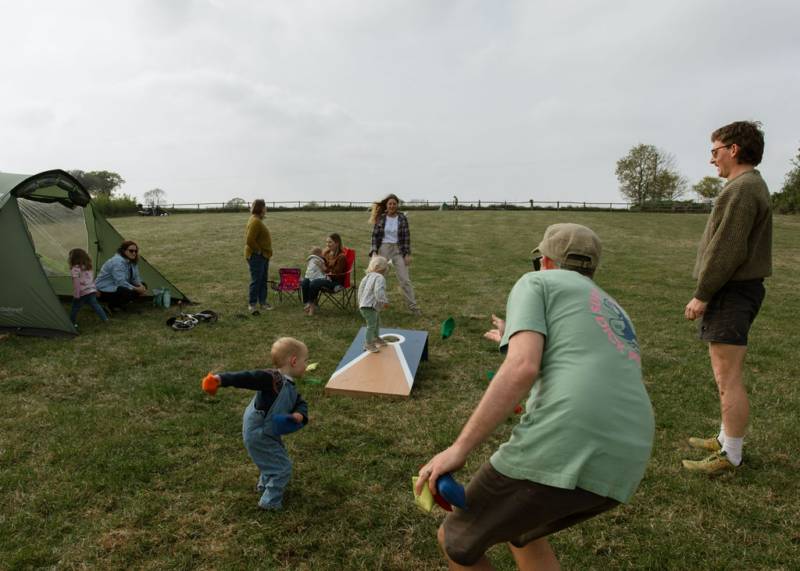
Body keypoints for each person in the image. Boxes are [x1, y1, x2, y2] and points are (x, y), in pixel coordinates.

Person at [415, 223, 654, 570]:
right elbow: (573, 355)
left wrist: (458, 449)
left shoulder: (536, 282)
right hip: (629, 454)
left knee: (456, 541)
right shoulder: (611, 306)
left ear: (545, 261)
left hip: (570, 435)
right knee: (521, 529)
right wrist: (509, 335)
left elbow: (523, 365)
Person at [682, 121, 772, 475]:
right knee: (725, 374)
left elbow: (727, 250)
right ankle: (725, 438)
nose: (712, 160)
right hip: (736, 290)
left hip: (732, 292)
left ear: (734, 150)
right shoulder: (748, 186)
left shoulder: (742, 189)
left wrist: (702, 295)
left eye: (715, 151)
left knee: (727, 376)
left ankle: (730, 454)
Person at [202, 337, 309, 510]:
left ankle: (264, 486)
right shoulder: (271, 379)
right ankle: (270, 502)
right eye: (306, 360)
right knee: (283, 467)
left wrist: (299, 414)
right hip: (258, 432)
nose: (306, 365)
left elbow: (299, 401)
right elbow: (246, 377)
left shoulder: (289, 385)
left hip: (269, 431)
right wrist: (219, 379)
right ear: (294, 361)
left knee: (273, 457)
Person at [369, 193, 420, 315]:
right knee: (379, 277)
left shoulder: (402, 218)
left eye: (394, 204)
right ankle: (374, 305)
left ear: (397, 205)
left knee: (404, 279)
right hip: (383, 249)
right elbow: (375, 235)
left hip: (399, 249)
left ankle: (413, 307)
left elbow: (407, 237)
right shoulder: (381, 218)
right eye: (390, 204)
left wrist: (407, 254)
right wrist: (374, 252)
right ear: (386, 205)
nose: (392, 206)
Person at [301, 233, 348, 316]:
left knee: (314, 283)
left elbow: (336, 274)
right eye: (327, 242)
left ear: (337, 243)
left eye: (330, 242)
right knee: (305, 281)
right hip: (323, 276)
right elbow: (319, 260)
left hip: (334, 282)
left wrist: (324, 268)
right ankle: (307, 303)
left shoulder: (341, 257)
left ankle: (312, 307)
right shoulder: (326, 252)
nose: (327, 244)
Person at [95, 240, 147, 311]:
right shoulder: (117, 262)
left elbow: (135, 278)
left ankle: (119, 303)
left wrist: (141, 286)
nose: (134, 253)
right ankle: (110, 305)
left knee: (144, 285)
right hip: (103, 290)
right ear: (124, 251)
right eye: (131, 251)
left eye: (136, 251)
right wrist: (137, 289)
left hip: (116, 287)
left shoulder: (131, 261)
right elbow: (121, 282)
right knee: (126, 291)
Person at [245, 199, 273, 315]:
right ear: (261, 208)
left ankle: (263, 302)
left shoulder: (257, 220)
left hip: (263, 256)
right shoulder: (255, 221)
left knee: (262, 280)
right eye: (265, 207)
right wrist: (259, 251)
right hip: (257, 256)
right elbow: (249, 240)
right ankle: (252, 304)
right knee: (257, 280)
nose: (266, 209)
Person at [68, 248, 109, 327]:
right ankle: (105, 319)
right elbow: (91, 280)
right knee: (96, 305)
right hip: (91, 291)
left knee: (75, 308)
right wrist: (95, 289)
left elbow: (76, 284)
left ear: (73, 259)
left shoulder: (75, 269)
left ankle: (71, 323)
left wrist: (77, 295)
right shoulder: (88, 268)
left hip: (82, 293)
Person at [358, 255, 389, 353]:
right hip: (369, 306)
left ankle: (375, 338)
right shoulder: (380, 278)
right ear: (380, 268)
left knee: (376, 322)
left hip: (364, 305)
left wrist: (360, 302)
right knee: (371, 325)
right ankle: (368, 343)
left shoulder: (366, 276)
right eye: (385, 268)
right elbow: (378, 291)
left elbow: (360, 290)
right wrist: (383, 301)